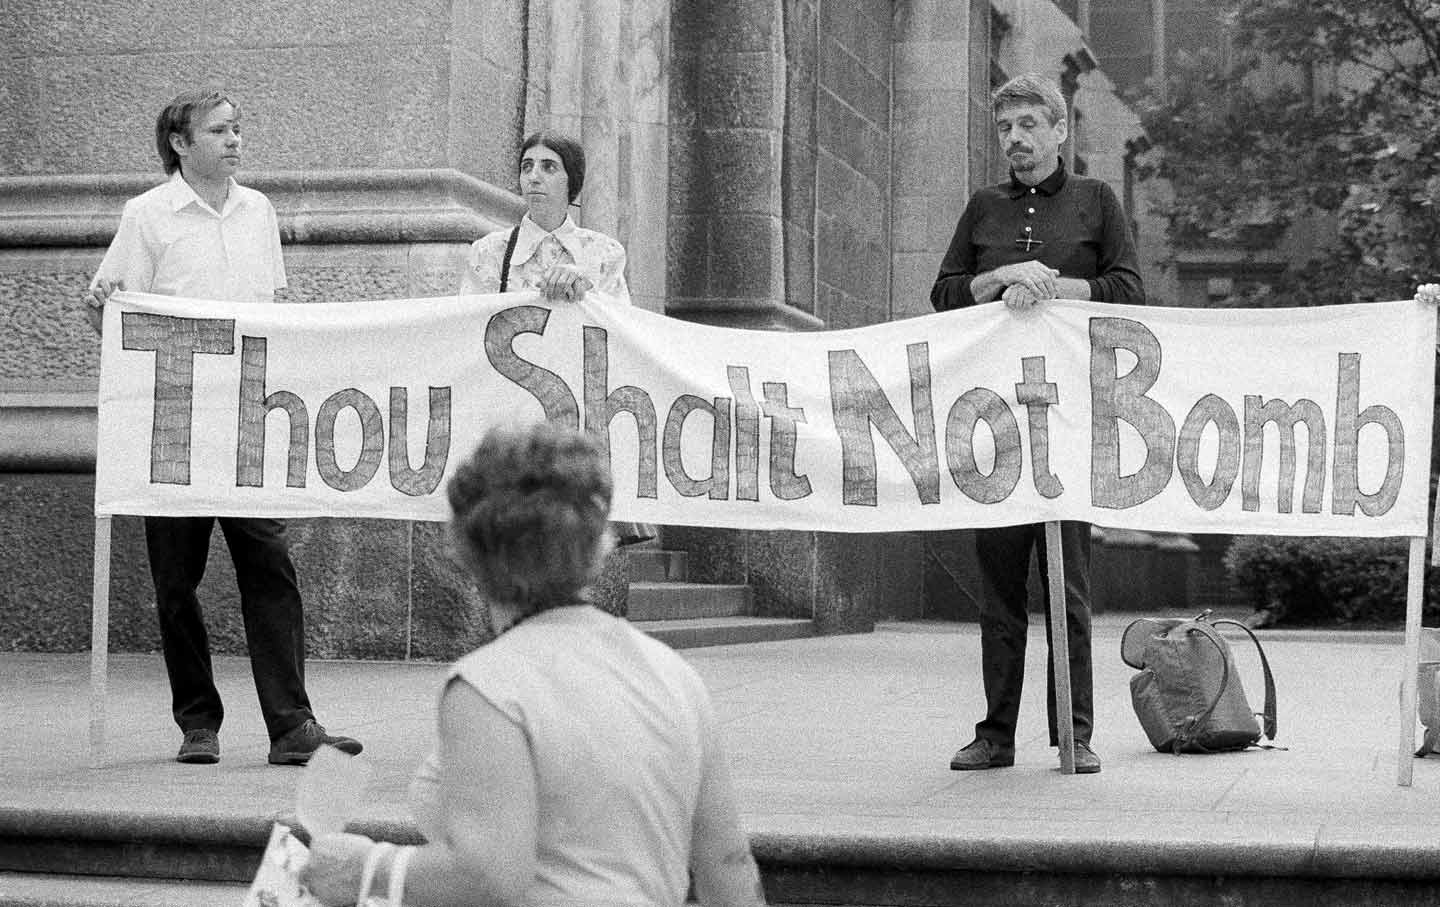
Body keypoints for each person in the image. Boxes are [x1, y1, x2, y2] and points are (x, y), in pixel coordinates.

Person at [301, 422, 766, 907]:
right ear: (599, 542)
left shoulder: (488, 686)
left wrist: (367, 868)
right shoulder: (675, 675)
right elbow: (728, 864)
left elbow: (486, 875)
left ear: (465, 549)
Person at [81, 87, 361, 767]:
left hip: (247, 423)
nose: (235, 141)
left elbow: (277, 307)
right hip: (173, 426)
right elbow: (110, 315)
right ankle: (197, 719)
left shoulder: (257, 210)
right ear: (180, 143)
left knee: (270, 565)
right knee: (176, 581)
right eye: (219, 130)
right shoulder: (147, 216)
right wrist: (102, 308)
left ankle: (292, 723)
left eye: (238, 128)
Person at [930, 73, 1146, 775]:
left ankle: (1073, 733)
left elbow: (1129, 289)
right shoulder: (983, 207)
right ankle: (994, 734)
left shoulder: (1097, 201)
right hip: (991, 420)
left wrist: (1055, 286)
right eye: (1005, 128)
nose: (1016, 140)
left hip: (1069, 421)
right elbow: (945, 292)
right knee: (998, 590)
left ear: (1060, 131)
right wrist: (999, 279)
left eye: (1028, 125)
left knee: (1067, 586)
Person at [459, 130, 655, 547]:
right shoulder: (490, 252)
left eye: (549, 167)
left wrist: (587, 294)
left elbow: (623, 334)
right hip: (510, 412)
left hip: (576, 417)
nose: (535, 177)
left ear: (572, 182)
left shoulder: (602, 253)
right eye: (527, 167)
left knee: (570, 531)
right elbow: (465, 326)